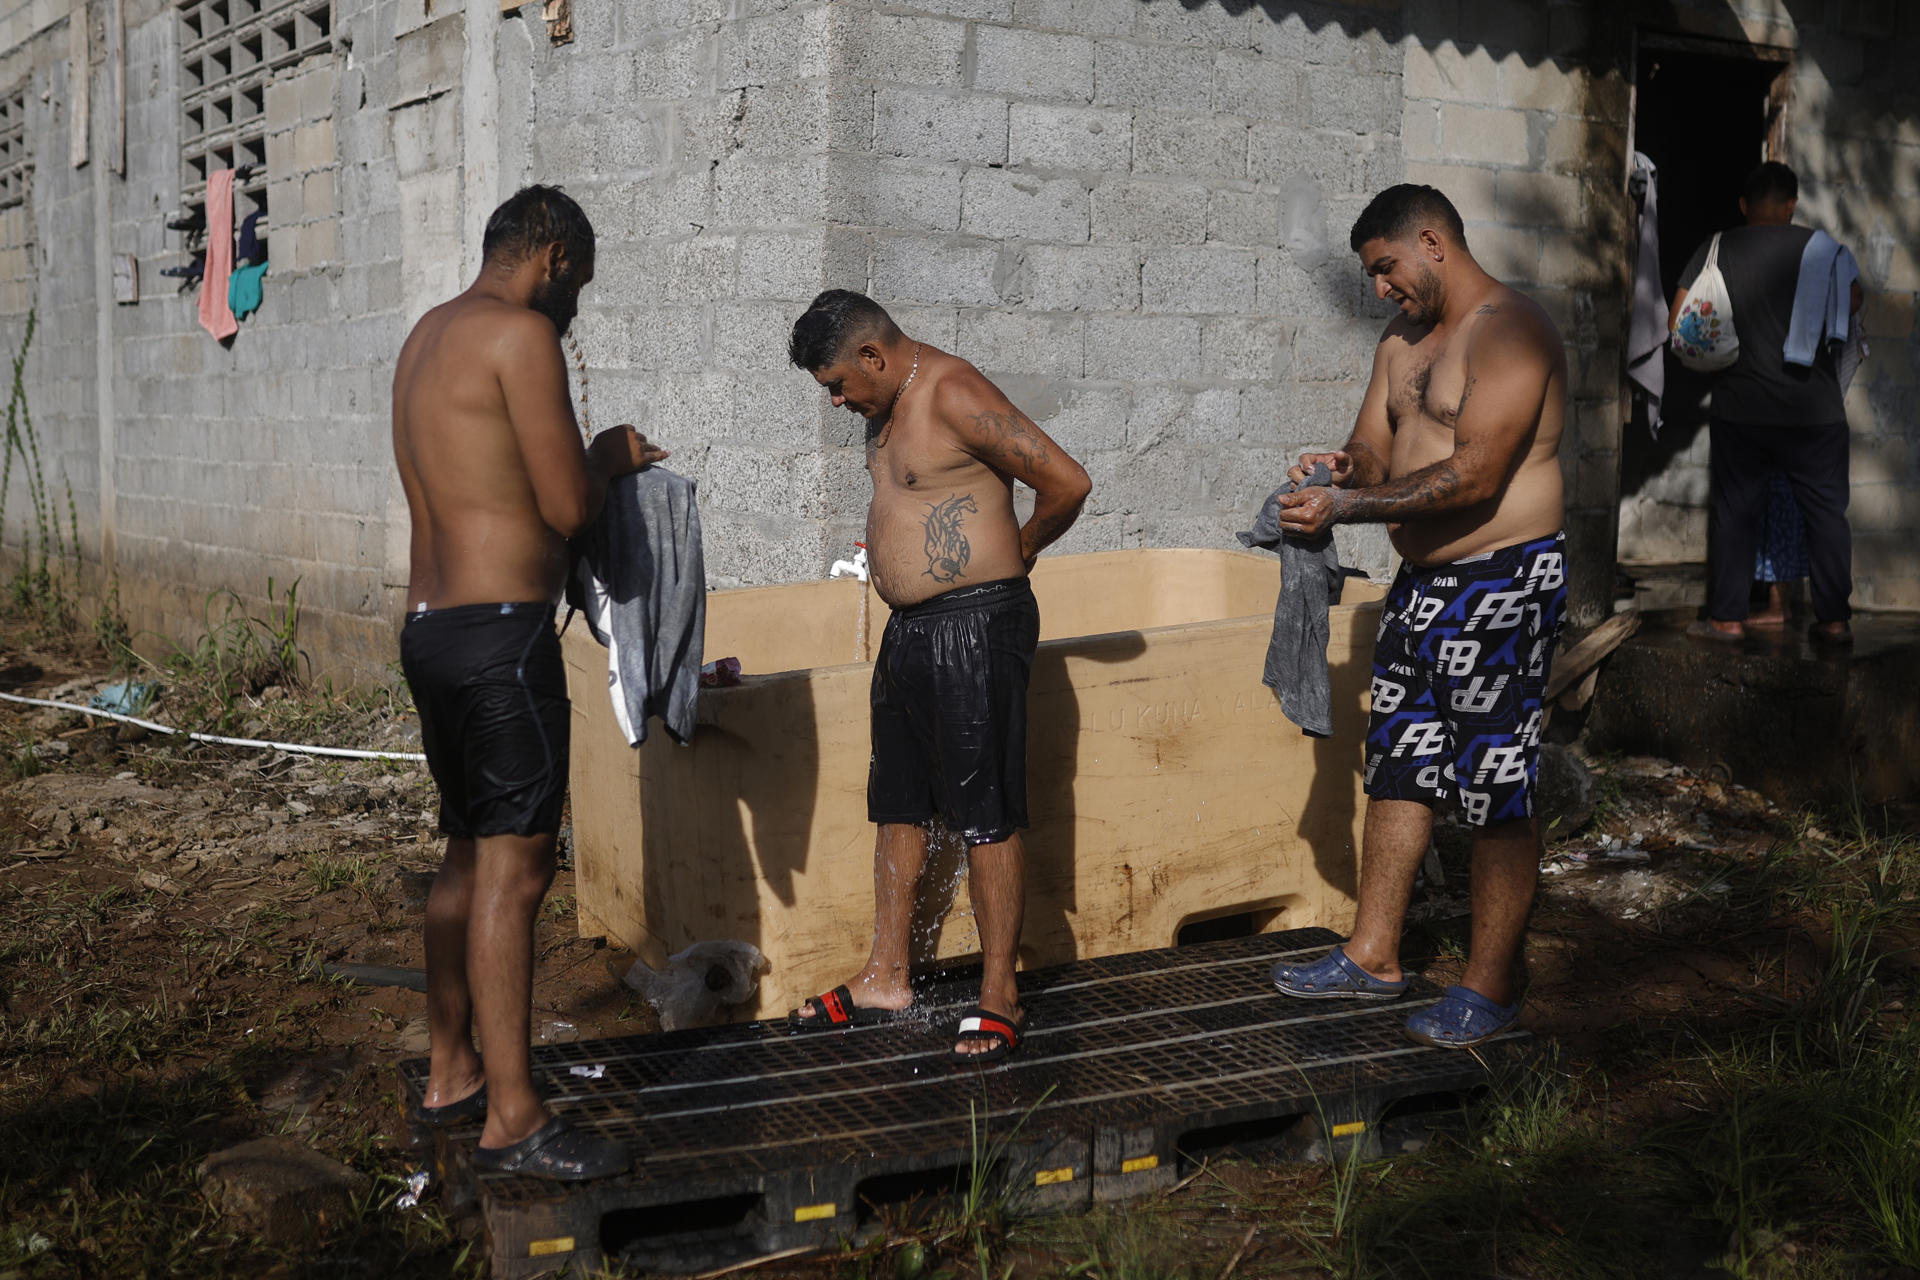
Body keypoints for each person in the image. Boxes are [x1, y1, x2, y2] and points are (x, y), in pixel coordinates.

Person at [393, 185, 665, 1178]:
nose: (576, 308)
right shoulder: (519, 336)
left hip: (432, 630)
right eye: (578, 284)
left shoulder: (429, 336)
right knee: (518, 871)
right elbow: (562, 505)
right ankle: (514, 1112)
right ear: (549, 255)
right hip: (504, 641)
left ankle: (451, 1071)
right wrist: (607, 456)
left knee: (467, 856)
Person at [1266, 184, 1568, 1049]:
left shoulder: (1512, 330)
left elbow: (1476, 472)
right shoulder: (1401, 343)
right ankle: (1374, 953)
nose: (1380, 291)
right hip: (1423, 589)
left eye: (1386, 269)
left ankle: (1490, 984)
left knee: (1495, 781)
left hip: (1502, 578)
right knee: (1399, 763)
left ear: (1432, 243)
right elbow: (1376, 445)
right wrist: (1343, 467)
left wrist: (1346, 511)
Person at [784, 289, 1091, 1063]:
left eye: (838, 384)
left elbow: (1067, 481)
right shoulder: (882, 413)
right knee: (899, 802)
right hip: (912, 630)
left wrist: (1018, 548)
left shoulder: (952, 390)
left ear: (874, 356)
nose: (835, 400)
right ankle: (886, 974)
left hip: (978, 623)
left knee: (986, 810)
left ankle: (1000, 994)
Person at [1670, 162, 1860, 647]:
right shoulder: (1824, 251)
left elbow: (1680, 320)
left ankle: (1727, 618)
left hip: (1741, 409)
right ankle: (1835, 619)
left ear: (1743, 205)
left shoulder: (1717, 247)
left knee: (1736, 513)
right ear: (1792, 204)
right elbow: (1854, 302)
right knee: (1826, 516)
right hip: (1815, 411)